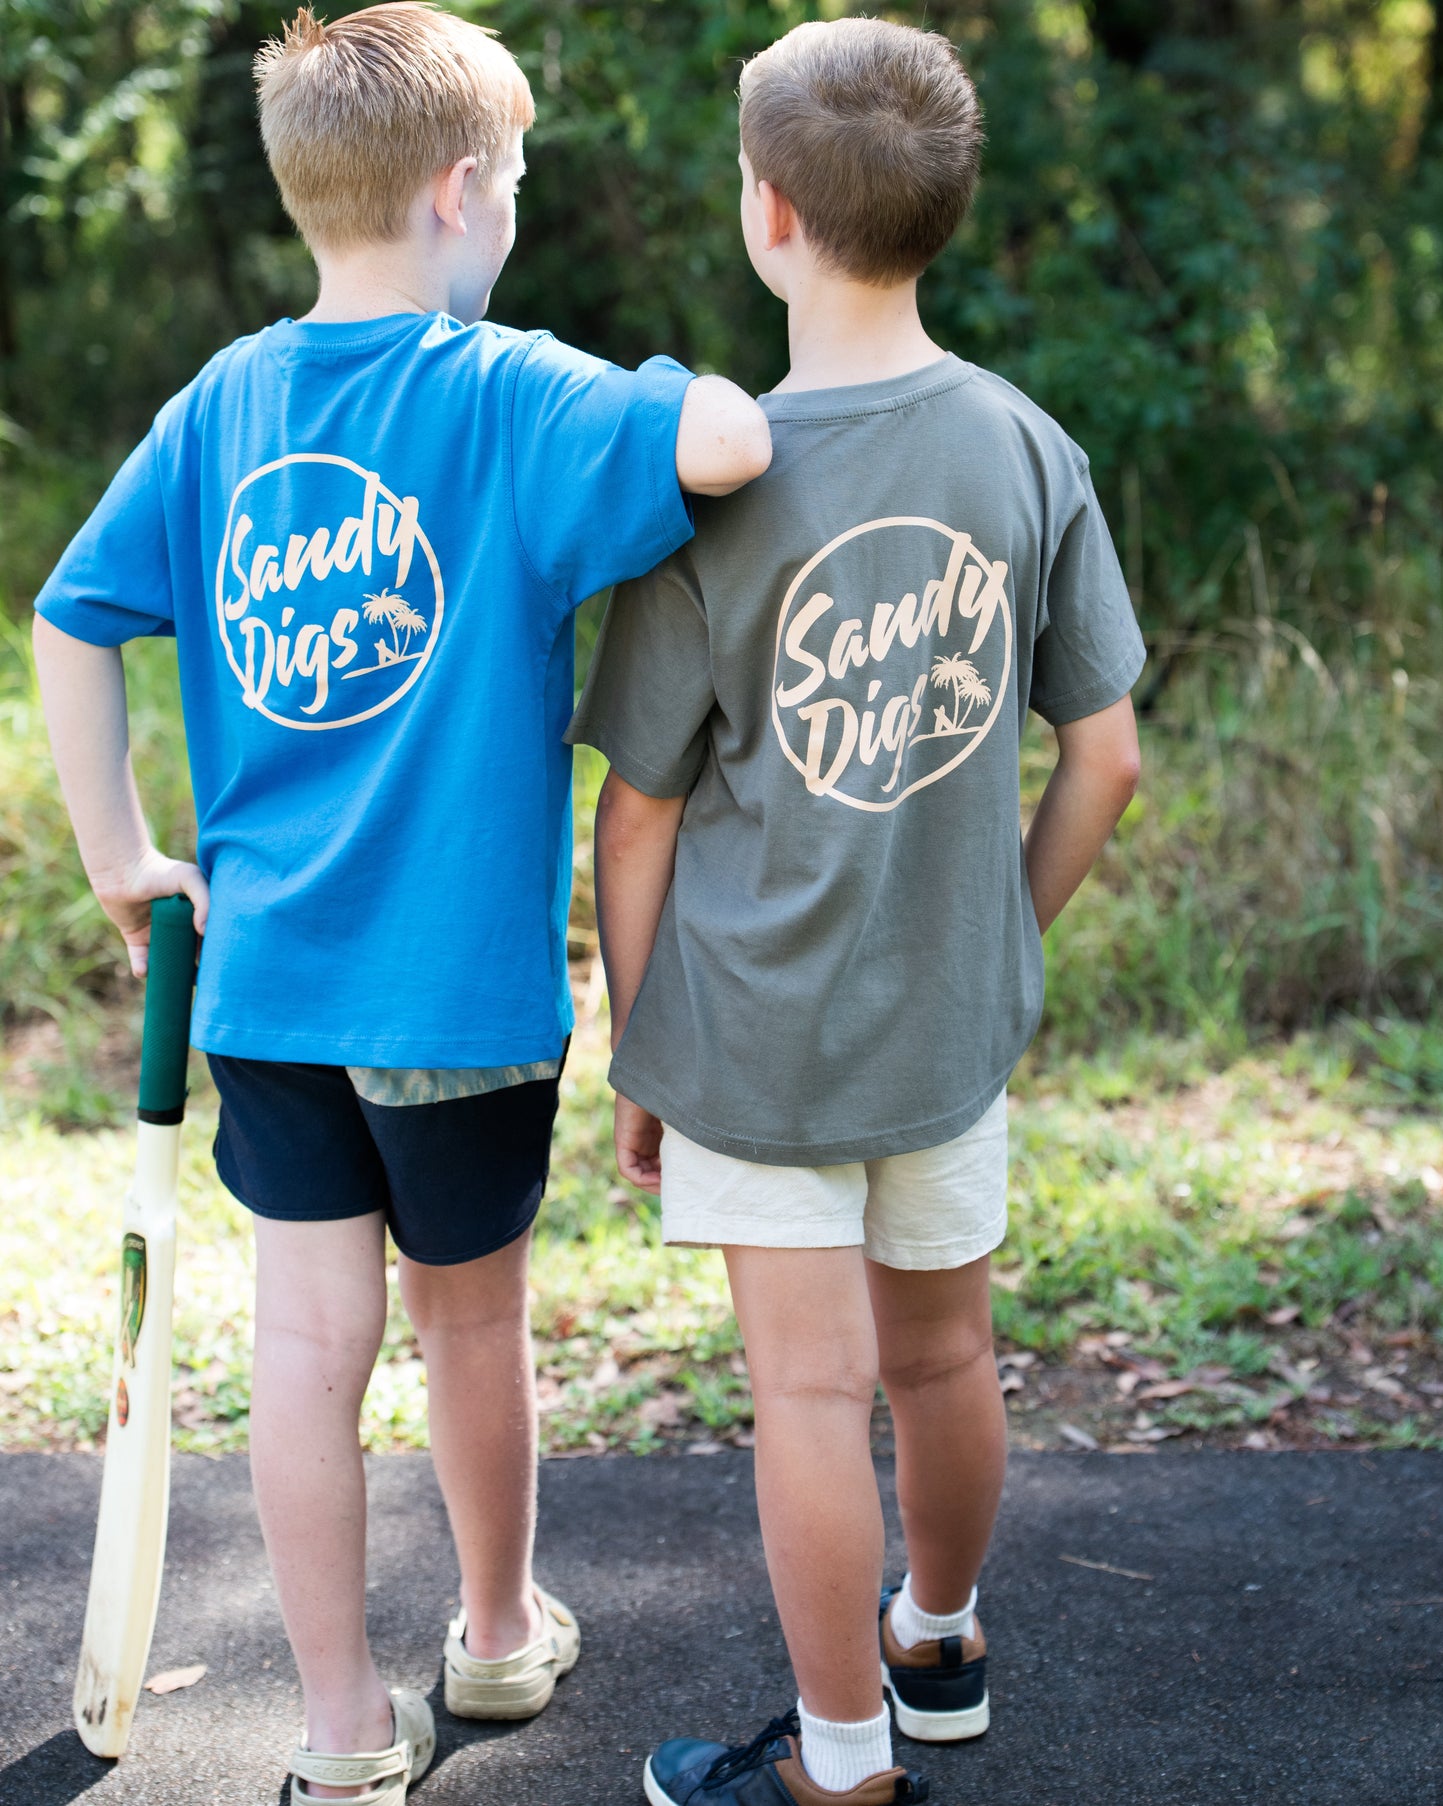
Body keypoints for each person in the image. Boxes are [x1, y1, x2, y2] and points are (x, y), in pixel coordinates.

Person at [32, 6, 770, 1801]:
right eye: (510, 180)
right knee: (471, 1322)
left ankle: (344, 1722)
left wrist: (121, 856)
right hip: (452, 997)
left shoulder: (226, 400)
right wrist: (684, 379)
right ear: (460, 192)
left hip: (272, 983)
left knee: (305, 1341)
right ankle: (501, 1632)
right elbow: (730, 449)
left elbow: (72, 611)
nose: (510, 208)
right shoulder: (510, 391)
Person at [569, 17, 1145, 1805]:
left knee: (811, 1400)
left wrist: (636, 1046)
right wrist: (1006, 934)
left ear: (768, 215)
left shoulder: (706, 491)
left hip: (748, 1026)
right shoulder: (1024, 447)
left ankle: (833, 1760)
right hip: (942, 1025)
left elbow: (639, 814)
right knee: (948, 1351)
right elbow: (1104, 757)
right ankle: (939, 1638)